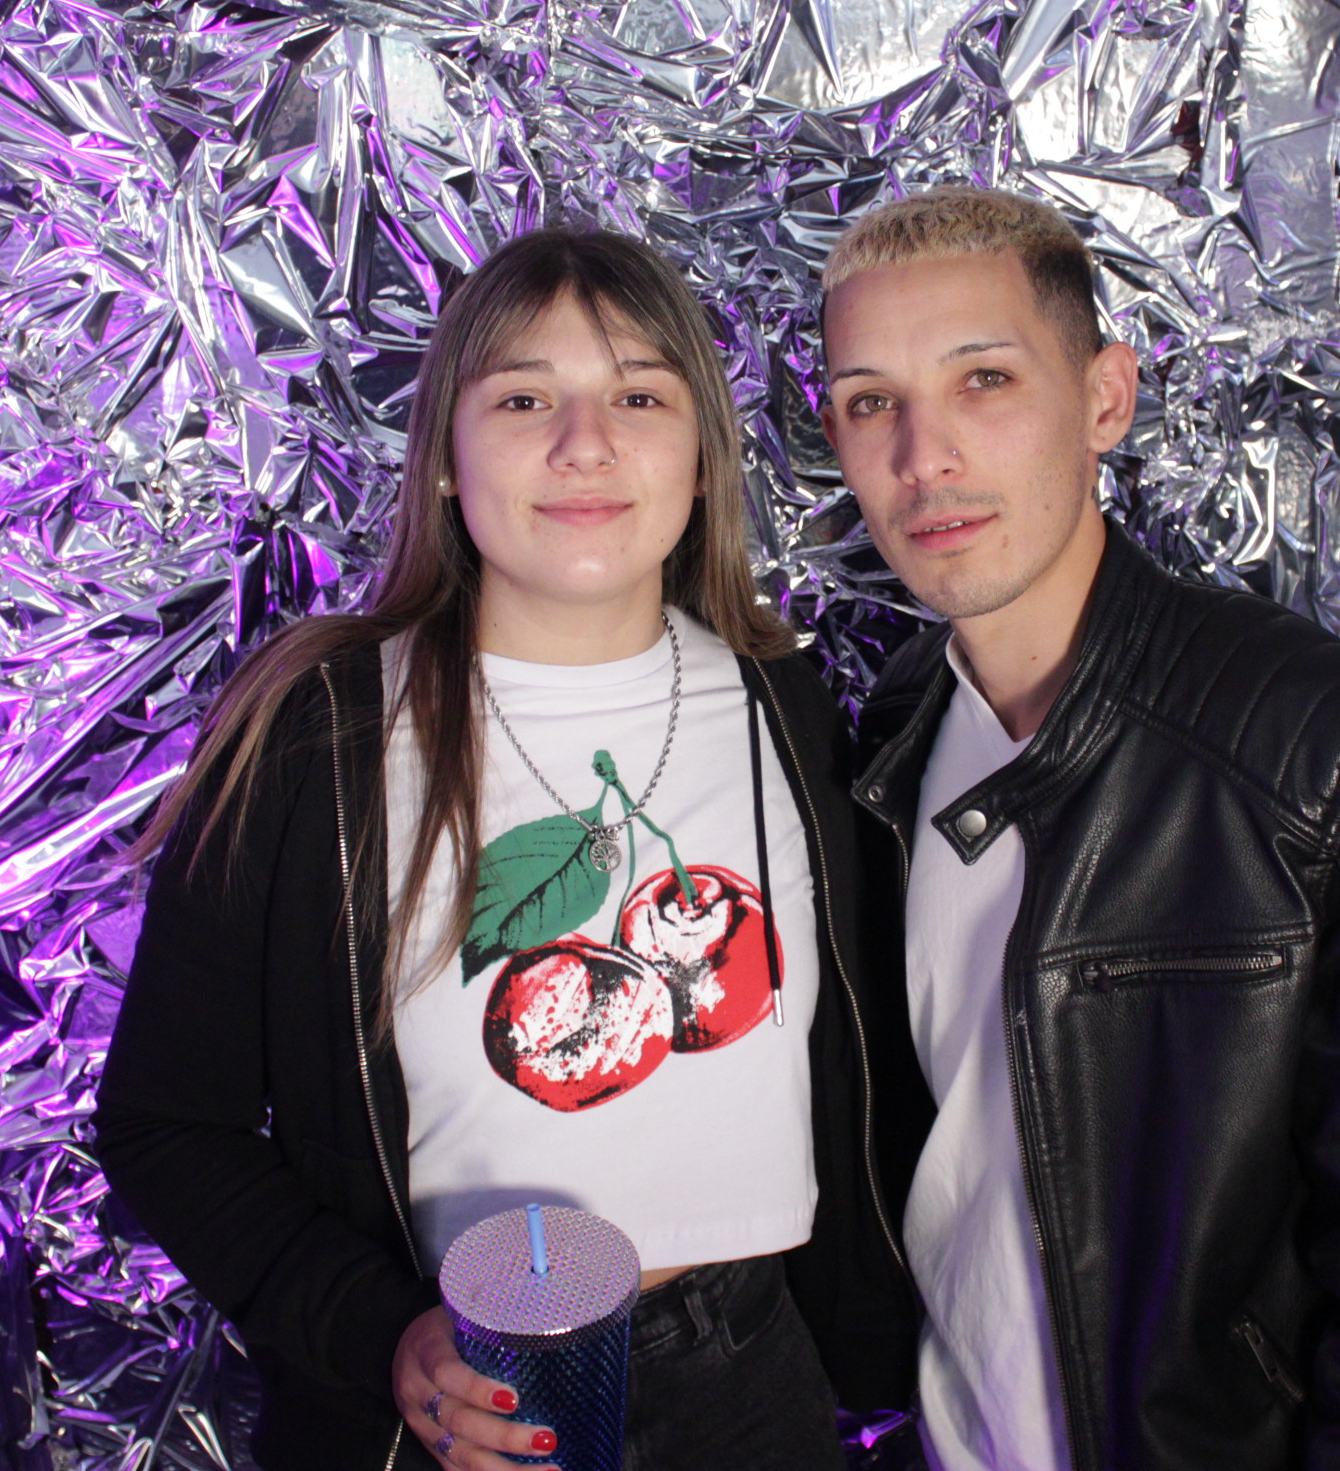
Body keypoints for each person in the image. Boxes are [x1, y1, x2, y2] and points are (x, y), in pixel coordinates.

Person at [95, 229, 919, 1471]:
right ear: (443, 456)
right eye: (525, 399)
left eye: (639, 397)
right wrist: (385, 1337)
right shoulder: (314, 736)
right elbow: (167, 1123)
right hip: (460, 1403)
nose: (585, 444)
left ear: (703, 457)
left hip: (751, 1385)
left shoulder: (787, 708)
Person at [813, 187, 1340, 1471]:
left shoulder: (1329, 756)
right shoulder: (888, 746)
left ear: (1105, 399)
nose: (925, 458)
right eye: (874, 403)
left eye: (984, 380)